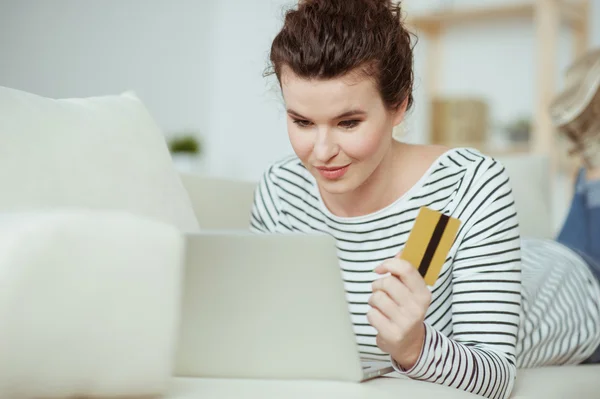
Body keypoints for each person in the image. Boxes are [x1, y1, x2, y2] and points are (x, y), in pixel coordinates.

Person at [249, 1, 600, 398]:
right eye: (302, 122)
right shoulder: (281, 191)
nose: (322, 150)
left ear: (398, 105)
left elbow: (497, 375)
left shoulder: (468, 183)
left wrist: (414, 348)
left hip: (578, 290)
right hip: (517, 258)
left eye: (348, 122)